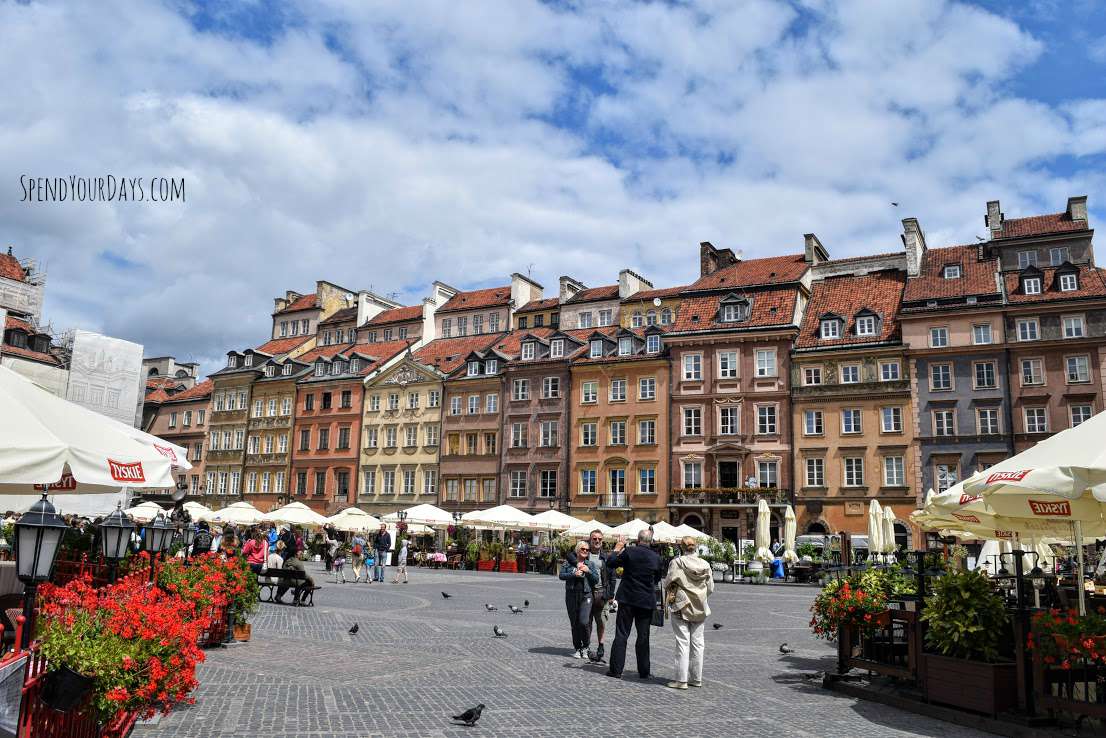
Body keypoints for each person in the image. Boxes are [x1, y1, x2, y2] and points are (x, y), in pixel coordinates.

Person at [605, 529, 662, 680]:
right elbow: (656, 578)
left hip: (628, 598)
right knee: (643, 636)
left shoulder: (629, 552)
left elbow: (610, 563)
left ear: (638, 539)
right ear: (651, 540)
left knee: (622, 634)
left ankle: (616, 670)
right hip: (645, 600)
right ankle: (644, 671)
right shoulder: (656, 557)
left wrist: (617, 548)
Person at [662, 536, 716, 690]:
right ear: (696, 547)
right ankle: (696, 678)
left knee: (682, 643)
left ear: (681, 547)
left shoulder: (677, 563)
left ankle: (681, 680)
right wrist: (700, 596)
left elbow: (667, 582)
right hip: (700, 607)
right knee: (698, 644)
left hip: (682, 606)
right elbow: (711, 588)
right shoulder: (705, 564)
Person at [560, 540, 600, 659]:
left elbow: (596, 580)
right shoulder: (569, 563)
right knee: (575, 623)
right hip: (571, 595)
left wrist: (588, 572)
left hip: (586, 595)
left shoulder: (590, 564)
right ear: (577, 550)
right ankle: (577, 648)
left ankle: (586, 646)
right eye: (583, 549)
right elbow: (561, 575)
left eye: (587, 550)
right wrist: (574, 574)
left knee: (584, 622)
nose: (585, 551)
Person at [584, 530, 613, 660]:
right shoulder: (584, 555)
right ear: (590, 540)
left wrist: (610, 594)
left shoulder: (606, 557)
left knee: (601, 621)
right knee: (587, 622)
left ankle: (601, 645)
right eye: (594, 539)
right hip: (587, 593)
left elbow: (612, 577)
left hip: (602, 593)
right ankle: (587, 647)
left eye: (599, 539)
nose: (597, 541)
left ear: (602, 541)